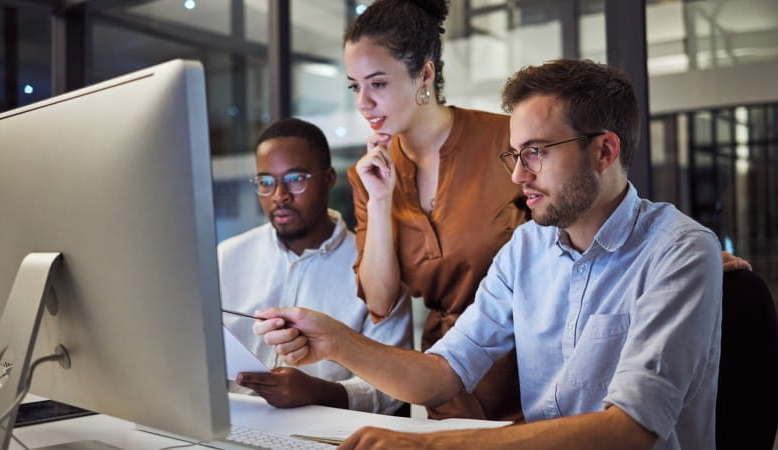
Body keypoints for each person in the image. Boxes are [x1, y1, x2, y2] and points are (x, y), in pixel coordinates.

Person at [255, 60, 723, 449]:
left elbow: (629, 430)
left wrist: (431, 444)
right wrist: (337, 342)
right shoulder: (526, 249)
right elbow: (443, 374)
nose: (518, 175)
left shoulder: (679, 251)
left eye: (536, 152)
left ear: (604, 151)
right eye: (515, 154)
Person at [344, 0, 527, 420]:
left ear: (424, 74)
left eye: (378, 83)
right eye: (355, 86)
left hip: (532, 373)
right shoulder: (370, 174)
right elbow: (381, 299)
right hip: (445, 381)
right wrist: (382, 198)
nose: (364, 103)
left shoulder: (508, 140)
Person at [217, 117, 412, 414]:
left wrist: (320, 392)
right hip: (233, 423)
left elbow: (397, 387)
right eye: (266, 182)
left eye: (296, 179)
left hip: (330, 435)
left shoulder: (375, 267)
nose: (279, 196)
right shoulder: (227, 257)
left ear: (329, 179)